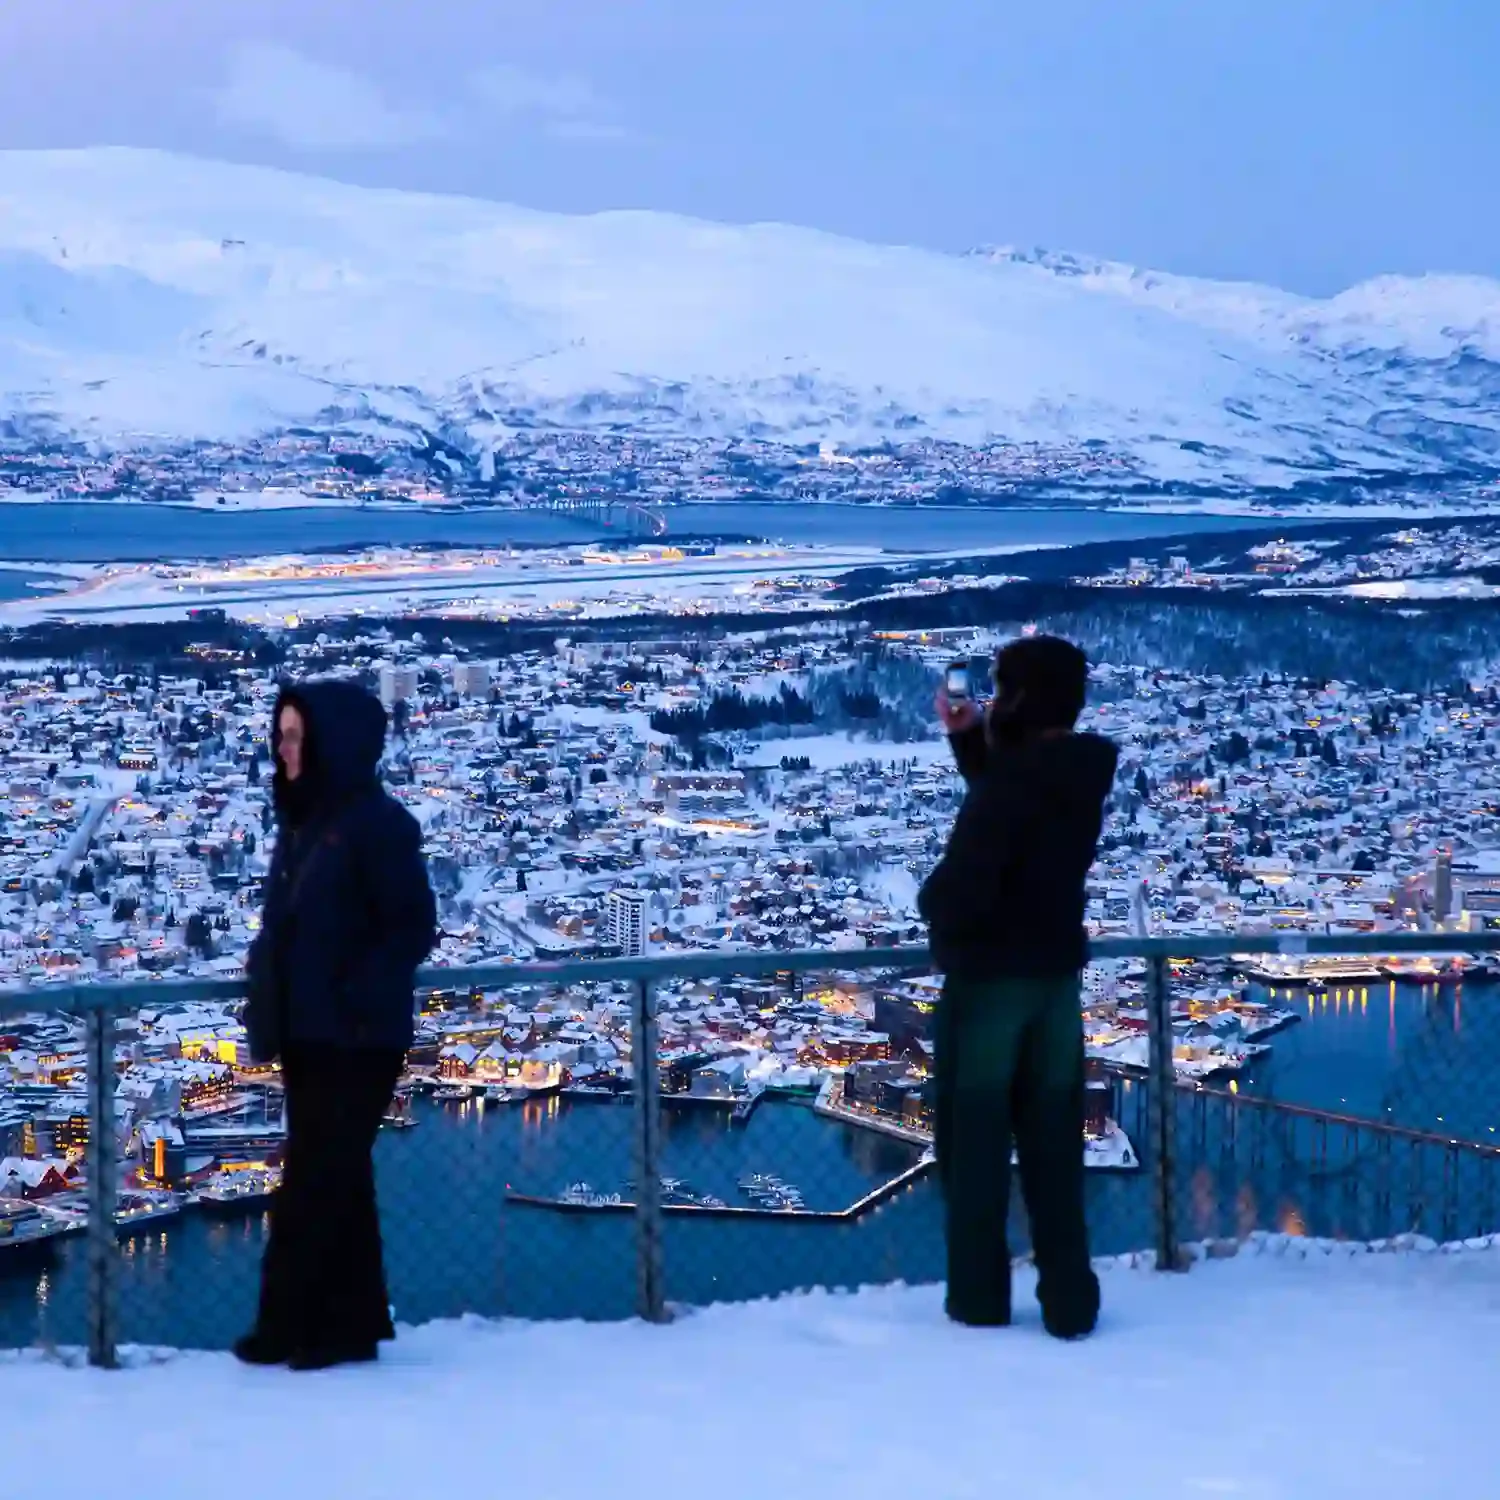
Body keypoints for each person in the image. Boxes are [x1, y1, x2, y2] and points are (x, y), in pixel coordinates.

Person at [917, 635, 1118, 1339]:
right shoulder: (1079, 771)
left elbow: (963, 883)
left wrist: (932, 905)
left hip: (991, 987)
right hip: (1055, 985)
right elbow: (1018, 811)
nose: (993, 701)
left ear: (1026, 698)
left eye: (1002, 691)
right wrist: (973, 746)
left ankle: (979, 1303)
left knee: (974, 1153)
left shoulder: (1016, 784)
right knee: (1054, 1149)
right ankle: (1070, 1303)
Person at [237, 678, 437, 1370]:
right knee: (339, 1180)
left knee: (315, 1181)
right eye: (281, 734)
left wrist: (356, 994)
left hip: (357, 1038)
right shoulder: (305, 824)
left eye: (296, 736)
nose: (282, 748)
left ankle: (292, 1327)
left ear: (331, 744)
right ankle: (350, 1326)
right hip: (310, 1033)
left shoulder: (378, 825)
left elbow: (412, 926)